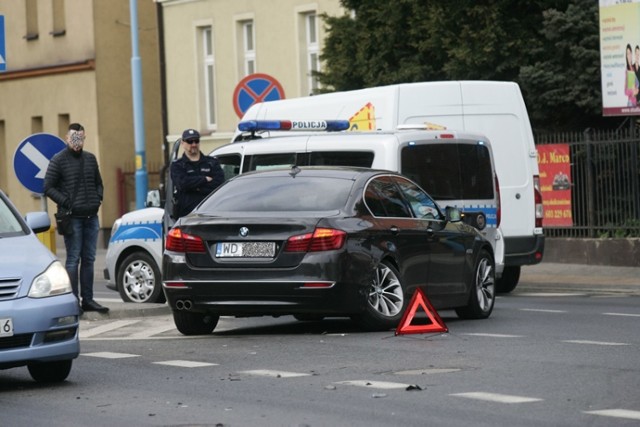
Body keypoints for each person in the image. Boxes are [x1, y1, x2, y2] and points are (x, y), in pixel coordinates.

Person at [44, 123, 108, 313]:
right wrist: (67, 202)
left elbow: (99, 183)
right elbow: (48, 187)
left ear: (84, 138)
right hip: (72, 218)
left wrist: (98, 199)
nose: (77, 142)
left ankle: (88, 300)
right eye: (74, 138)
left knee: (89, 259)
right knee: (73, 259)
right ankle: (73, 302)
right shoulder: (58, 160)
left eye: (80, 138)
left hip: (91, 216)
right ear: (67, 138)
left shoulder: (90, 158)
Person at [170, 128, 225, 218]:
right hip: (187, 215)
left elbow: (219, 183)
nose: (194, 144)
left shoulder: (211, 163)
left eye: (196, 141)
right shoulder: (178, 165)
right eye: (190, 141)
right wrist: (204, 179)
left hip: (211, 213)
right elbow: (182, 184)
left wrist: (196, 188)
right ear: (183, 143)